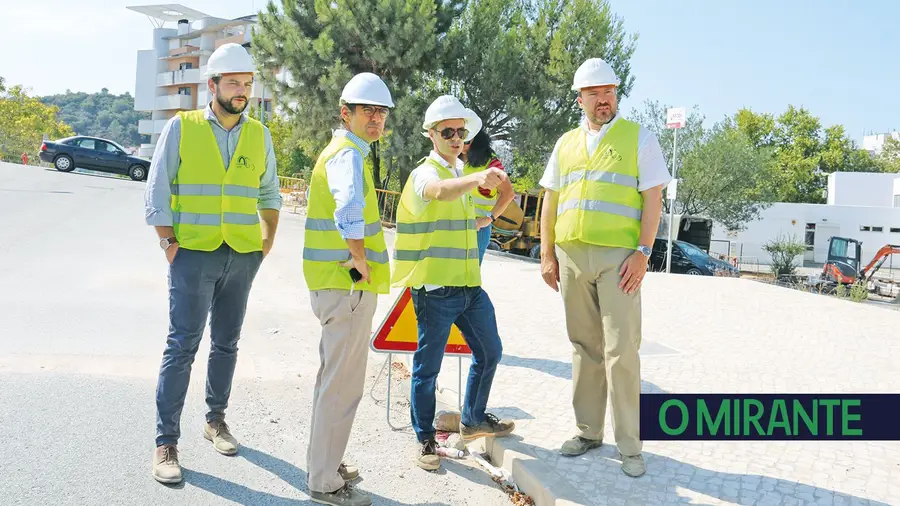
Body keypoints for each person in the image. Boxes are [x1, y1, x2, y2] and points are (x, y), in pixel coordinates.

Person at [144, 43, 282, 484]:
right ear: (213, 85)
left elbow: (270, 193)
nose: (242, 91)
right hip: (192, 254)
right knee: (182, 345)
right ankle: (166, 441)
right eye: (234, 83)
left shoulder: (259, 135)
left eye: (247, 83)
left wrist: (265, 243)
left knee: (227, 343)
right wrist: (167, 242)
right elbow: (157, 188)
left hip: (241, 256)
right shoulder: (181, 128)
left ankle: (215, 419)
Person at [538, 58, 671, 478]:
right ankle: (587, 432)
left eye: (609, 92)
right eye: (594, 94)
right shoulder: (565, 144)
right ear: (580, 98)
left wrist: (644, 252)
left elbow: (654, 199)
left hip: (620, 260)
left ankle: (630, 445)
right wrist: (546, 253)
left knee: (622, 351)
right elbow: (551, 201)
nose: (603, 100)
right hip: (572, 257)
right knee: (583, 347)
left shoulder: (640, 139)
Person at [392, 95, 515, 472]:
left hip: (469, 288)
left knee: (490, 351)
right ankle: (425, 438)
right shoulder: (424, 174)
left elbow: (503, 197)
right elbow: (439, 192)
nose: (457, 137)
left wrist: (489, 214)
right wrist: (476, 178)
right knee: (427, 370)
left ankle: (472, 418)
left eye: (461, 131)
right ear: (431, 135)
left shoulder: (464, 174)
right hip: (435, 292)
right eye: (448, 131)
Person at [301, 72, 394, 506]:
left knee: (332, 381)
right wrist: (359, 261)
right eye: (367, 111)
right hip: (347, 286)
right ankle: (324, 482)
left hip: (336, 287)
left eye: (381, 112)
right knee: (341, 385)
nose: (376, 119)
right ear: (346, 113)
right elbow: (349, 208)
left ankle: (326, 462)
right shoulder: (348, 156)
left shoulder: (344, 152)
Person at [460, 129, 515, 264]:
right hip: (451, 224)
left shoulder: (490, 163)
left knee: (469, 277)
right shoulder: (451, 160)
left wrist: (488, 219)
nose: (460, 144)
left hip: (477, 228)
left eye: (466, 141)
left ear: (477, 141)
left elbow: (508, 194)